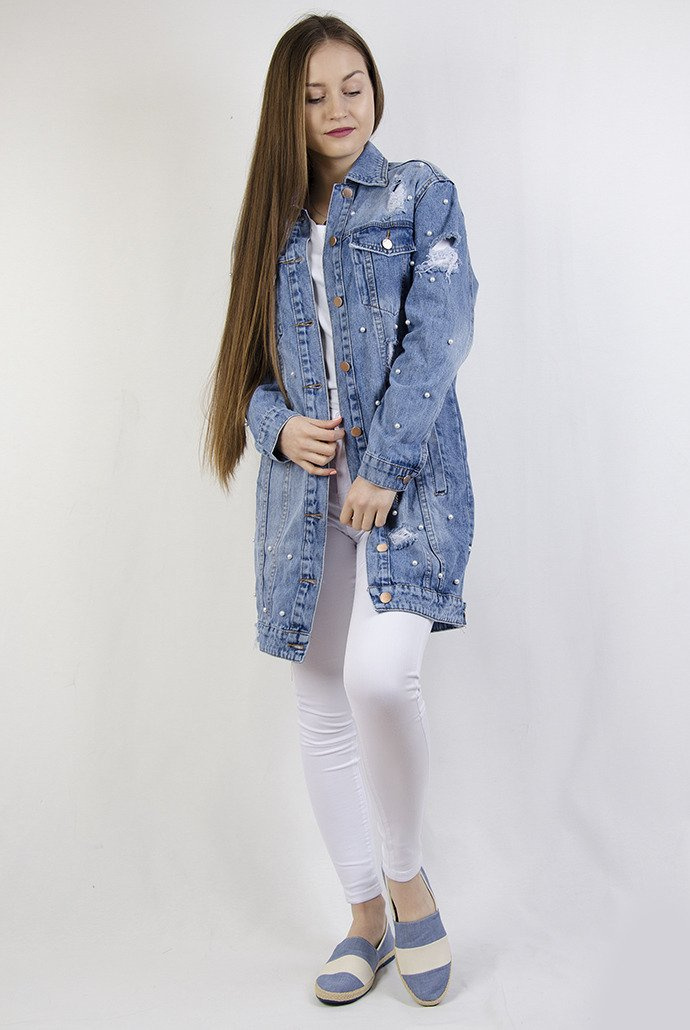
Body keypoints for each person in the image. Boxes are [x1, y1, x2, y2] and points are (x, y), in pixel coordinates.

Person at [202, 13, 479, 1008]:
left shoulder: (421, 195)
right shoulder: (270, 223)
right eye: (314, 95)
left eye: (351, 85)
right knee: (323, 707)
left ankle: (406, 883)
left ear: (375, 87)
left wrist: (385, 467)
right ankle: (364, 917)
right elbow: (245, 375)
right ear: (287, 109)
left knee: (379, 678)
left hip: (407, 500)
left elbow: (440, 338)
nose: (336, 109)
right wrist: (277, 428)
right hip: (302, 510)